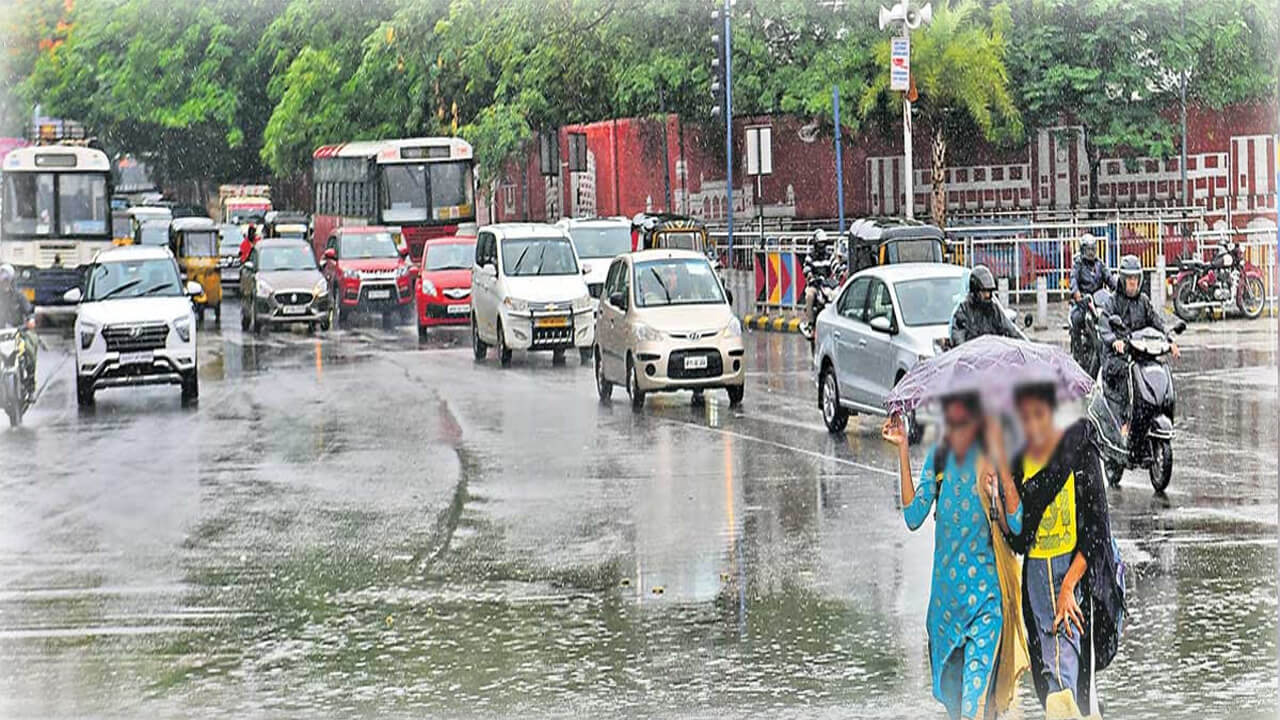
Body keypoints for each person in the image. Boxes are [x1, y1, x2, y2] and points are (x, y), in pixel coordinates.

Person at [883, 396, 1028, 720]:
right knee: (957, 708)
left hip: (985, 606)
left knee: (972, 708)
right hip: (945, 610)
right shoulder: (941, 455)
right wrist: (904, 447)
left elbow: (1017, 525)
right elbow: (913, 515)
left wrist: (1001, 476)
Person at [995, 382, 1125, 718]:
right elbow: (1018, 539)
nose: (1034, 424)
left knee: (1067, 677)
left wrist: (1069, 587)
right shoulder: (1018, 459)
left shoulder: (1078, 448)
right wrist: (1002, 484)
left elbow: (1096, 530)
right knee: (1053, 676)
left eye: (1040, 414)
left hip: (1080, 582)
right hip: (1039, 589)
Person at [1098, 255, 1178, 414]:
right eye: (1129, 278)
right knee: (1123, 372)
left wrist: (1169, 339)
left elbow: (1156, 321)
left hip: (1141, 352)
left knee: (1159, 368)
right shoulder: (1113, 301)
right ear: (1122, 279)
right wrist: (1114, 341)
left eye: (1135, 278)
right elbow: (1105, 323)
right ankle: (1123, 415)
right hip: (1119, 354)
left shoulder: (1143, 301)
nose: (1133, 282)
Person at [949, 265, 1020, 347]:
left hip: (994, 355)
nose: (987, 295)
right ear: (975, 291)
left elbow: (1010, 329)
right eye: (984, 292)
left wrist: (1026, 345)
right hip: (972, 356)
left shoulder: (994, 310)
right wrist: (967, 353)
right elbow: (958, 338)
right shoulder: (964, 311)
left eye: (989, 292)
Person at [0, 264, 36, 396]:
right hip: (1, 336)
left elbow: (29, 310)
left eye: (7, 280)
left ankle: (31, 383)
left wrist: (30, 320)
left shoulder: (19, 296)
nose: (4, 284)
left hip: (19, 333)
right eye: (2, 281)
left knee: (30, 348)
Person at [1068, 234, 1113, 338]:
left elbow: (1109, 277)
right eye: (1088, 249)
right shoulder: (1078, 264)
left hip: (1098, 300)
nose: (1091, 252)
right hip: (1083, 300)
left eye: (1093, 249)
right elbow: (1073, 278)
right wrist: (1076, 293)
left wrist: (1119, 288)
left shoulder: (1099, 264)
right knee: (1077, 318)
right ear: (1083, 250)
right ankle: (1078, 347)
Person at [801, 229, 834, 333]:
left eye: (823, 243)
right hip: (815, 285)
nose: (822, 246)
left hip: (827, 285)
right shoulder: (810, 256)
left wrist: (842, 271)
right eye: (820, 244)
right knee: (809, 296)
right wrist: (810, 275)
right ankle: (810, 324)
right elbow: (806, 268)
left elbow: (835, 265)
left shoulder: (829, 256)